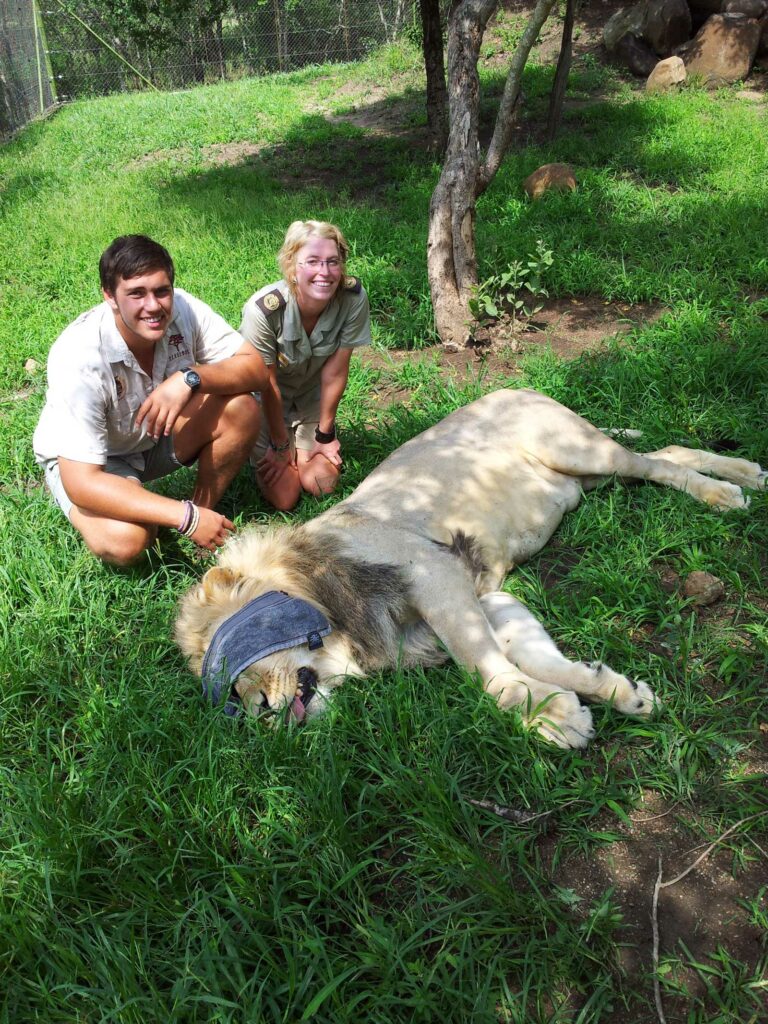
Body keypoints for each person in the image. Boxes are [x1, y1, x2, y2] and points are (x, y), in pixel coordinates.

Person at [33, 234, 269, 566]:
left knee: (241, 407)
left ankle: (204, 514)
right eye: (136, 294)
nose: (154, 305)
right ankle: (117, 510)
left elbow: (256, 368)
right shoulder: (79, 356)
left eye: (161, 290)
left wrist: (190, 377)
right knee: (128, 542)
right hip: (92, 462)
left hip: (151, 435)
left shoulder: (183, 308)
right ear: (109, 297)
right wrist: (181, 515)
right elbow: (83, 481)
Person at [239, 220, 372, 510]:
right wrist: (280, 445)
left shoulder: (353, 299)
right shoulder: (263, 310)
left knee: (321, 484)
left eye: (333, 262)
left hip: (311, 400)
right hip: (264, 403)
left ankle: (305, 450)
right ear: (291, 266)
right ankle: (280, 448)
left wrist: (325, 435)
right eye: (312, 261)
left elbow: (336, 371)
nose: (324, 273)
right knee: (285, 498)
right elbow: (266, 383)